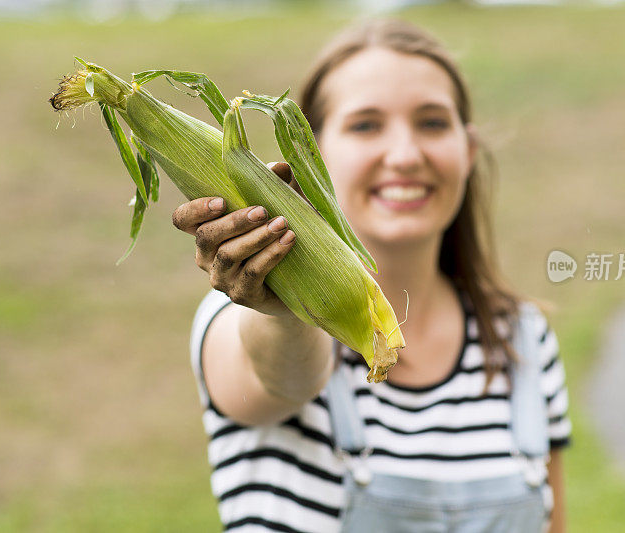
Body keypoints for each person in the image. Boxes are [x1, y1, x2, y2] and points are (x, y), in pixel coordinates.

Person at [172, 18, 572, 533]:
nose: (405, 155)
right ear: (307, 155)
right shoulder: (240, 318)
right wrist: (288, 309)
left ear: (468, 151)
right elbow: (281, 375)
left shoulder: (523, 337)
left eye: (432, 123)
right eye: (365, 125)